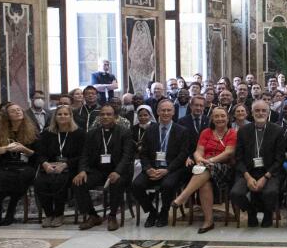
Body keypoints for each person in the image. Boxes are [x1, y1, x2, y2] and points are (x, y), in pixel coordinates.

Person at [169, 105, 237, 233]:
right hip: (204, 166)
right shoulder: (206, 132)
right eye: (216, 116)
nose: (220, 118)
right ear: (212, 118)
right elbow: (197, 152)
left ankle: (183, 196)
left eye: (222, 116)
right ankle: (208, 221)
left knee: (204, 169)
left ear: (228, 118)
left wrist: (209, 161)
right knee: (204, 184)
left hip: (224, 168)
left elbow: (228, 153)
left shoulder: (232, 133)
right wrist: (200, 159)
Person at [131, 99, 195, 228]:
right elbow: (143, 153)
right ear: (158, 112)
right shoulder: (150, 130)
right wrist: (148, 168)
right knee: (136, 185)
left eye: (169, 110)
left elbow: (182, 154)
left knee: (168, 185)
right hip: (153, 168)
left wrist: (167, 170)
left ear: (173, 112)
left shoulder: (182, 130)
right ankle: (152, 212)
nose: (166, 113)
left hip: (172, 169)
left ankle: (164, 212)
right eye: (163, 110)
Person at [74, 103, 135, 231]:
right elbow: (84, 154)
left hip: (119, 171)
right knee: (78, 183)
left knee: (116, 182)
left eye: (109, 114)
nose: (105, 117)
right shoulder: (92, 133)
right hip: (98, 171)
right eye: (102, 114)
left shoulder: (124, 132)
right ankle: (93, 215)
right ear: (99, 117)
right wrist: (82, 171)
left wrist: (117, 171)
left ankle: (112, 216)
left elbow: (127, 156)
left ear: (115, 117)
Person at [230, 100, 286, 228]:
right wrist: (248, 177)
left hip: (270, 171)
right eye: (257, 110)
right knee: (236, 193)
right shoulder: (243, 131)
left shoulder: (277, 131)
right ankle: (251, 211)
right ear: (252, 113)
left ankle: (267, 213)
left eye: (263, 110)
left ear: (268, 113)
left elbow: (280, 159)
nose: (260, 113)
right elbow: (238, 158)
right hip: (248, 171)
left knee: (270, 192)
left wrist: (266, 177)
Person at [33, 105, 86, 227]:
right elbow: (40, 153)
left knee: (59, 181)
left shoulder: (79, 133)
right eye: (59, 114)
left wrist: (66, 164)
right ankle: (49, 214)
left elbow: (83, 155)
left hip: (70, 167)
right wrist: (45, 164)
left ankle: (58, 214)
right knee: (40, 182)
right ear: (55, 117)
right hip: (50, 166)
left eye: (65, 114)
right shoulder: (47, 133)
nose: (62, 116)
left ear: (71, 116)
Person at [0, 103, 39, 226]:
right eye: (13, 111)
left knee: (20, 176)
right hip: (6, 164)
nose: (17, 112)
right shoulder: (0, 133)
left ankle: (11, 208)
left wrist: (24, 149)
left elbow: (37, 155)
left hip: (25, 165)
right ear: (7, 116)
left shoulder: (32, 131)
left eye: (19, 109)